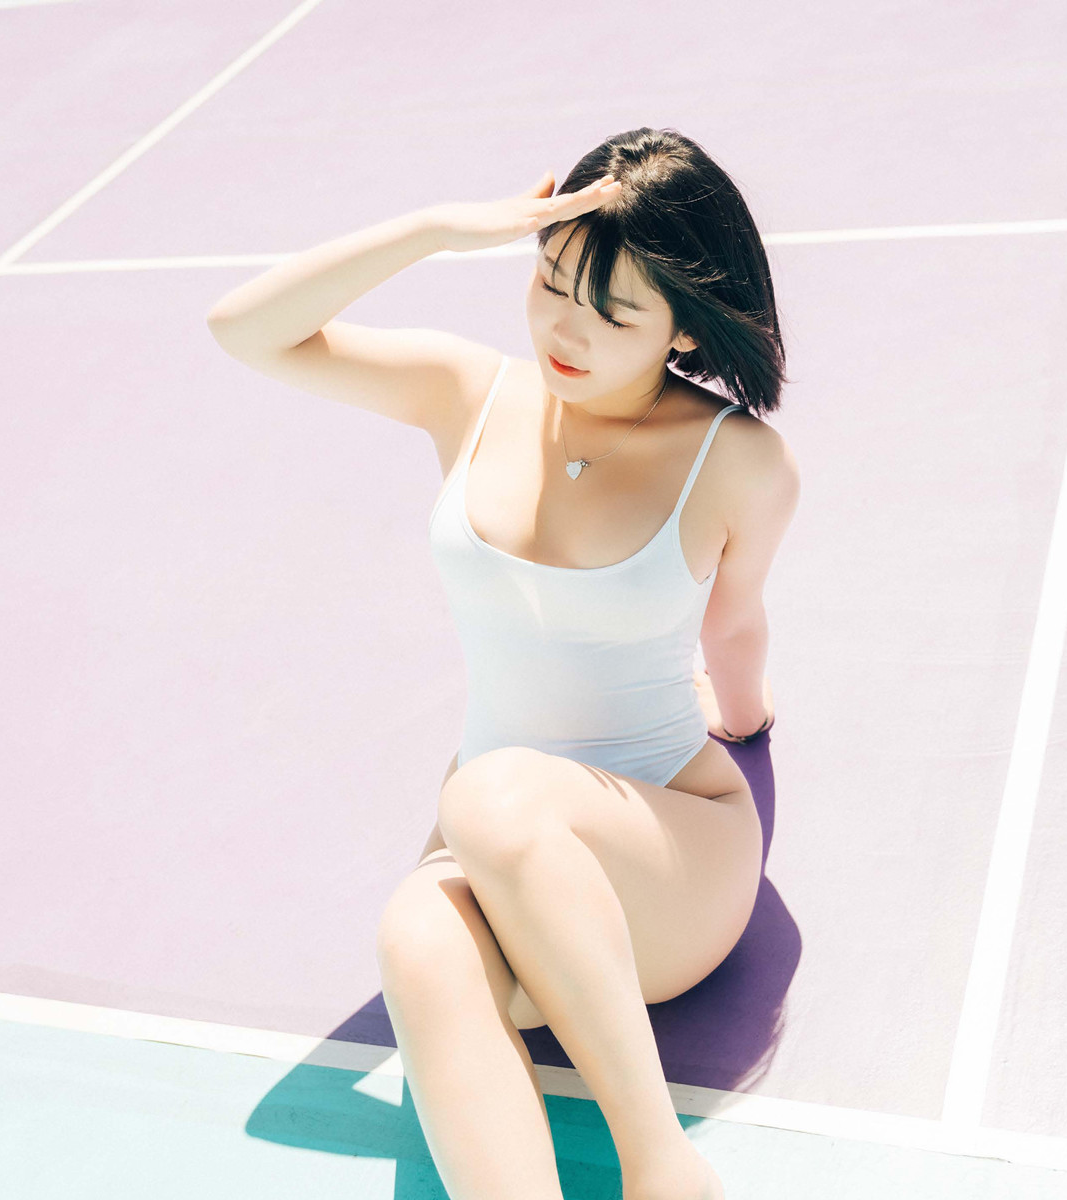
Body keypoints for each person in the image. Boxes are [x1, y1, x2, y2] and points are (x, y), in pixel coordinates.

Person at [205, 127, 800, 1200]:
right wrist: (436, 229)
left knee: (488, 791)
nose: (566, 328)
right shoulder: (467, 393)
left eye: (613, 312)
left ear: (683, 324)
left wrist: (749, 725)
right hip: (501, 846)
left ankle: (660, 1165)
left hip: (670, 857)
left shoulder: (737, 459)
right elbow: (243, 330)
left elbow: (735, 625)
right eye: (551, 283)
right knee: (416, 936)